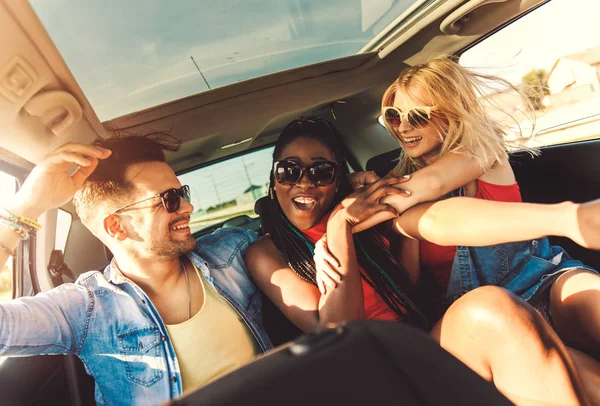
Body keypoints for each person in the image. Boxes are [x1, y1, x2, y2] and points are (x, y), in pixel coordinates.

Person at [244, 116, 595, 405]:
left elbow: (420, 251)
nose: (304, 183)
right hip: (377, 371)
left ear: (338, 180)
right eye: (288, 171)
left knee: (580, 371)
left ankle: (571, 220)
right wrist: (339, 227)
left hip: (425, 340)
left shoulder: (364, 215)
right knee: (488, 309)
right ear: (274, 182)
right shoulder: (268, 252)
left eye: (321, 172)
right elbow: (338, 334)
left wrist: (379, 214)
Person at [0, 135, 272, 405]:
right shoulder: (88, 308)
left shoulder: (233, 251)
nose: (188, 207)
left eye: (183, 193)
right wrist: (26, 207)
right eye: (170, 199)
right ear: (116, 227)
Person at [375, 56, 600, 359]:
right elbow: (410, 281)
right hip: (485, 314)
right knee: (574, 375)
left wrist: (356, 211)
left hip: (544, 279)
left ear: (452, 112)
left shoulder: (484, 149)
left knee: (590, 299)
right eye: (393, 116)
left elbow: (435, 182)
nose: (402, 126)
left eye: (416, 115)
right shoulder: (405, 189)